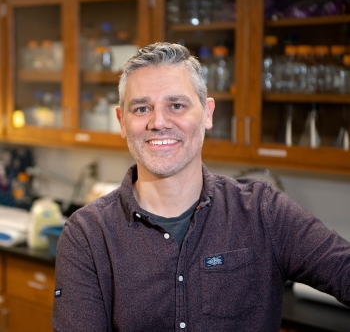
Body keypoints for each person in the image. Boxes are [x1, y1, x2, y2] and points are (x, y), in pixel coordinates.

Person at [52, 42, 350, 332]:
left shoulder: (263, 210)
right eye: (142, 109)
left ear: (207, 113)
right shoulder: (88, 235)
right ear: (122, 121)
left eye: (177, 105)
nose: (159, 122)